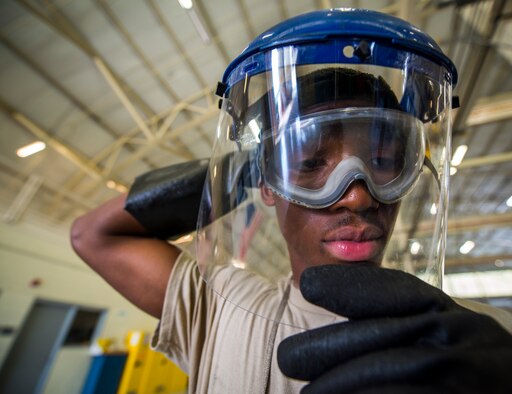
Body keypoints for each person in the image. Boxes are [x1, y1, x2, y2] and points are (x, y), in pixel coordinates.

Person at [71, 8, 512, 393]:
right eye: (310, 164)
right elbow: (93, 235)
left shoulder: (477, 340)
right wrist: (246, 165)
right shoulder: (217, 305)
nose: (357, 195)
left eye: (382, 160)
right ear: (268, 181)